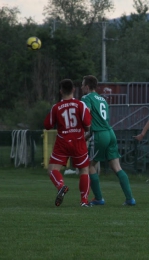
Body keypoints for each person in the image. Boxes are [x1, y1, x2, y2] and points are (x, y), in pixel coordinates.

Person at [81, 75, 136, 206]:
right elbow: (101, 120)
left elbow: (86, 115)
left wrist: (81, 129)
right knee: (116, 167)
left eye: (82, 85)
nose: (81, 87)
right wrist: (87, 136)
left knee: (89, 166)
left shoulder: (86, 98)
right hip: (110, 133)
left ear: (87, 87)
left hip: (100, 135)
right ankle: (130, 199)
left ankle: (99, 198)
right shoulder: (103, 100)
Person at [44, 79, 92, 207]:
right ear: (73, 90)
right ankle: (84, 201)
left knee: (52, 170)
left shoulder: (56, 107)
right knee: (84, 170)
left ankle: (60, 186)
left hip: (62, 142)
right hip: (78, 141)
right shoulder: (80, 105)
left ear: (61, 91)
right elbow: (87, 124)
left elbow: (47, 125)